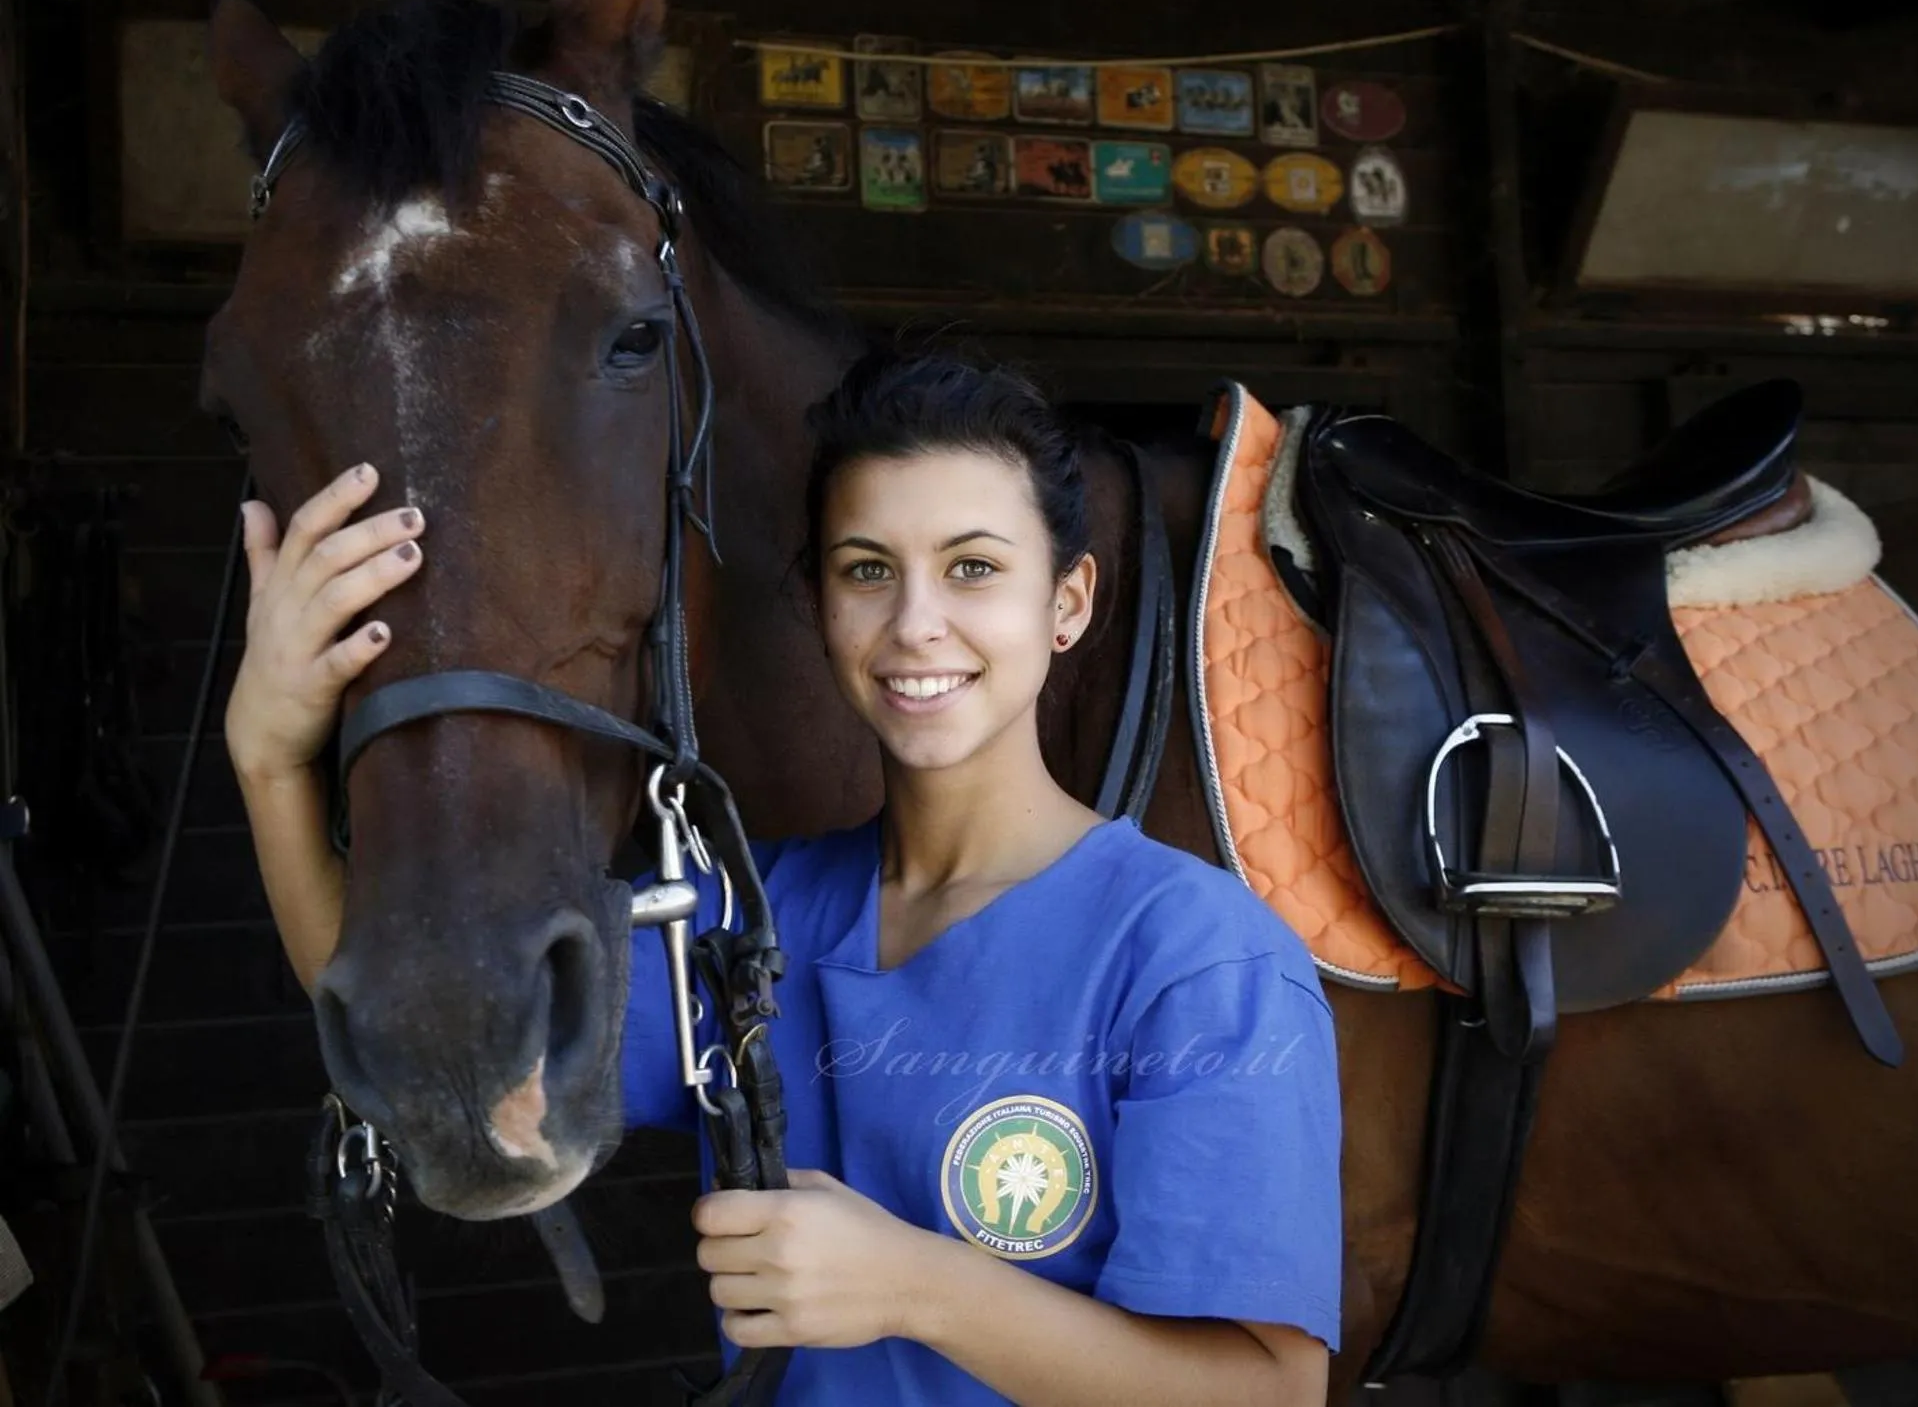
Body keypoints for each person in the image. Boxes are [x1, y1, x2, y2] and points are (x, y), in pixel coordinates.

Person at [226, 350, 1344, 1406]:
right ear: (818, 606)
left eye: (974, 568)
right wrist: (271, 759)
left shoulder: (1197, 957)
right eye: (869, 570)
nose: (916, 623)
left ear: (1068, 604)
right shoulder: (737, 916)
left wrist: (919, 1287)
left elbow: (1271, 1389)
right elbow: (439, 1036)